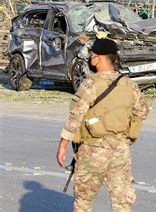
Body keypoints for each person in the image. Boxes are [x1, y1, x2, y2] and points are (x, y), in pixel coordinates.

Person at [56, 38, 149, 212]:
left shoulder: (91, 84)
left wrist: (63, 146)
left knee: (84, 202)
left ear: (97, 57)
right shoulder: (129, 85)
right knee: (122, 202)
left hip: (93, 149)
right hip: (120, 150)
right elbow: (142, 112)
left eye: (92, 56)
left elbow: (75, 117)